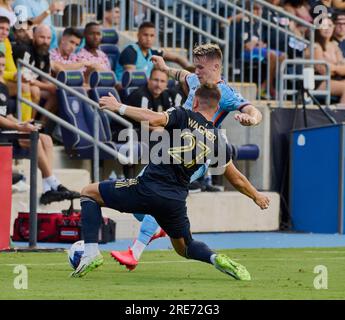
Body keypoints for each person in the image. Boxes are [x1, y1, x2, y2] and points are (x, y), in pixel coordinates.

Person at [71, 83, 270, 279]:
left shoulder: (184, 114)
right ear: (217, 107)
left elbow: (155, 119)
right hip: (174, 202)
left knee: (89, 193)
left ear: (195, 103)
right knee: (185, 248)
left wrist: (119, 107)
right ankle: (214, 258)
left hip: (147, 188)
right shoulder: (218, 140)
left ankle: (91, 254)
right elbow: (236, 178)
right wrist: (256, 196)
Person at [111, 43, 263, 271]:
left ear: (216, 66)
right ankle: (158, 227)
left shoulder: (225, 93)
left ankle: (135, 252)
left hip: (197, 155)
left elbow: (253, 110)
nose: (197, 71)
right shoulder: (195, 80)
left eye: (201, 67)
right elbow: (181, 74)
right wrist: (164, 67)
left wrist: (251, 119)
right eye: (196, 66)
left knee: (157, 194)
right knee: (140, 204)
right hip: (171, 148)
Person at [0, 51, 80, 204]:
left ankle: (47, 189)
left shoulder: (2, 87)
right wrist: (18, 126)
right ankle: (54, 183)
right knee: (33, 139)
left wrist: (23, 123)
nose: (1, 68)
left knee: (46, 138)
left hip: (8, 128)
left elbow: (6, 115)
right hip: (3, 133)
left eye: (3, 65)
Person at [115, 21, 193, 81]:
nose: (148, 39)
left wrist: (191, 71)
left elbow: (177, 58)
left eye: (152, 36)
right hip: (128, 90)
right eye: (145, 35)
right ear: (138, 35)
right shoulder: (130, 51)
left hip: (147, 88)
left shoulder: (153, 52)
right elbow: (132, 79)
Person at [13, 24, 57, 122]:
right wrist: (50, 87)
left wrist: (55, 86)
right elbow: (25, 77)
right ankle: (29, 123)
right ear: (33, 36)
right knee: (35, 90)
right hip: (16, 83)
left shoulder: (45, 51)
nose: (45, 41)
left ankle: (41, 124)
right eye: (42, 37)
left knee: (58, 94)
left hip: (29, 84)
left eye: (48, 38)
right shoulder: (25, 49)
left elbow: (46, 77)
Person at [0, 16, 39, 122]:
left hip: (3, 79)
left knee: (35, 90)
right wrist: (14, 76)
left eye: (7, 29)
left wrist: (18, 74)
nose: (4, 32)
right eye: (1, 28)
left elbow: (10, 65)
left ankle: (30, 121)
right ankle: (23, 126)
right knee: (24, 87)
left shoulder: (6, 42)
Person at [314, 17, 345, 104]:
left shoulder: (335, 46)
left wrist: (333, 68)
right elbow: (323, 71)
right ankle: (340, 116)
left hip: (334, 79)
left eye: (330, 25)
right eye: (323, 26)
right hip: (318, 81)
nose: (327, 28)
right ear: (318, 28)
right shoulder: (315, 46)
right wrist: (338, 68)